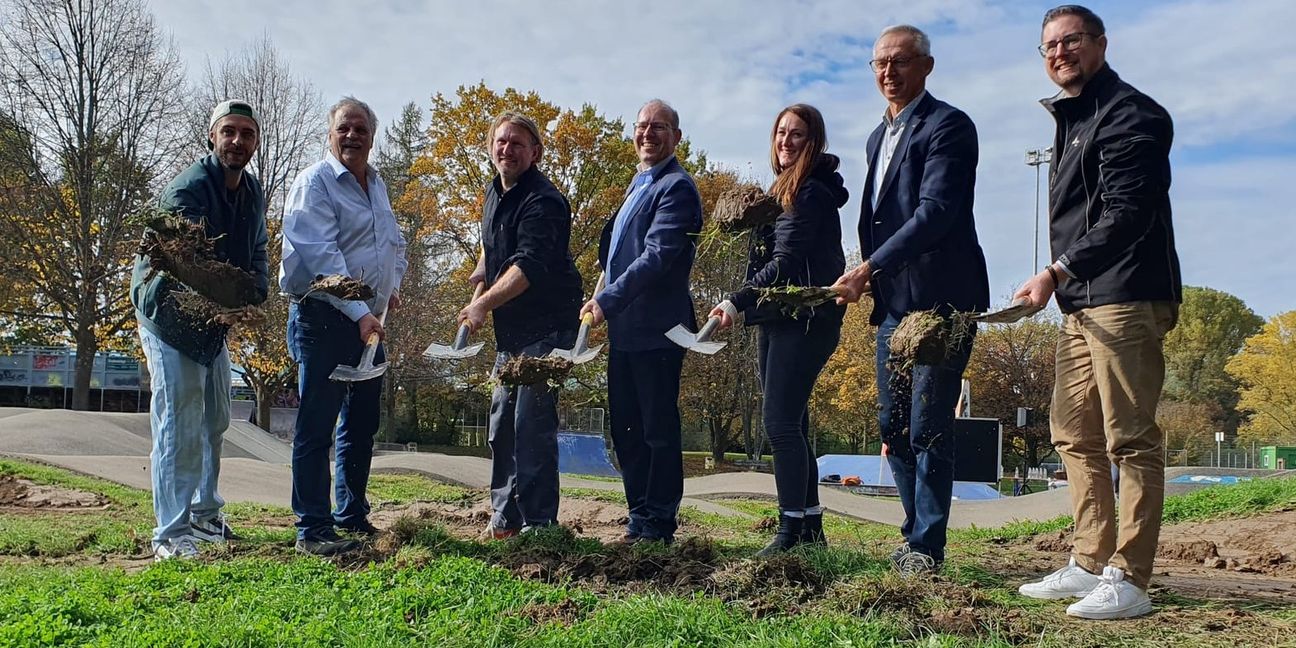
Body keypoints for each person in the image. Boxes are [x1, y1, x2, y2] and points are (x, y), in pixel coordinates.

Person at [1014, 5, 1180, 620]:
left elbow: (1126, 214)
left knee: (1130, 438)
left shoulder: (1132, 114)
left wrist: (1056, 270)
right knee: (1072, 431)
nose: (1060, 53)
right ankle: (1088, 560)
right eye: (1050, 46)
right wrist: (1063, 282)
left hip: (1127, 294)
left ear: (1101, 44)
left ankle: (1130, 577)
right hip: (1081, 299)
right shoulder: (1073, 118)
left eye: (1073, 41)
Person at [831, 25, 989, 576]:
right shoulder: (878, 137)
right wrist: (874, 276)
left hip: (944, 303)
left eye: (899, 61)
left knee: (928, 424)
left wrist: (868, 266)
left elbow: (936, 212)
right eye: (879, 63)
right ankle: (913, 532)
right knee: (892, 424)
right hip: (894, 305)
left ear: (926, 65)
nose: (888, 72)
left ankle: (926, 546)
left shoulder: (948, 126)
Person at [130, 99, 269, 560]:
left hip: (210, 319)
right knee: (181, 421)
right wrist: (237, 290)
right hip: (169, 315)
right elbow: (190, 265)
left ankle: (205, 515)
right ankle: (170, 533)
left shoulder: (252, 194)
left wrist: (257, 288)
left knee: (217, 417)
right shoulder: (187, 189)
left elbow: (258, 252)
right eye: (229, 132)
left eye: (246, 134)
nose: (237, 141)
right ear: (213, 137)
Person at [710, 104, 846, 556]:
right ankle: (809, 529)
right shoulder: (784, 189)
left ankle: (789, 531)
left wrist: (736, 299)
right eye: (781, 133)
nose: (786, 141)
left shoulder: (808, 194)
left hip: (802, 317)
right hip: (777, 317)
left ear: (814, 142)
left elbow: (784, 264)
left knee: (780, 424)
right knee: (794, 424)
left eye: (797, 135)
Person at [281, 97, 408, 555]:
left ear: (372, 137)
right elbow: (321, 257)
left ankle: (350, 516)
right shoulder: (314, 184)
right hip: (324, 318)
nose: (352, 136)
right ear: (329, 135)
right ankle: (312, 528)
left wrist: (392, 283)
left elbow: (393, 241)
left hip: (370, 320)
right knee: (317, 425)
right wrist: (360, 313)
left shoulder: (377, 186)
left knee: (361, 422)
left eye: (360, 129)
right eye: (343, 129)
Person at [580, 99, 702, 545]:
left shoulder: (677, 188)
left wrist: (607, 300)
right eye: (642, 126)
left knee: (656, 429)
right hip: (625, 330)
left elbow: (656, 257)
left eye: (660, 127)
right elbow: (616, 253)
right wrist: (601, 292)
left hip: (658, 329)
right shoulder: (639, 184)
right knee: (626, 427)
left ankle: (658, 523)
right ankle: (639, 515)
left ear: (676, 137)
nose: (648, 134)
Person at [458, 112, 583, 539]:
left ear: (535, 152)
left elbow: (527, 266)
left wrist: (482, 306)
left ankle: (538, 523)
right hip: (512, 334)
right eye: (501, 141)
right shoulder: (494, 191)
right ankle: (504, 518)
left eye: (517, 143)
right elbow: (495, 241)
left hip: (548, 329)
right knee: (500, 424)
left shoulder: (544, 202)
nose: (507, 149)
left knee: (530, 425)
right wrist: (482, 268)